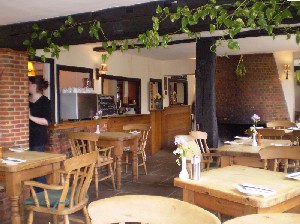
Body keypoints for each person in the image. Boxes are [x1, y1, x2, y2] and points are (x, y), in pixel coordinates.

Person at [28, 76, 51, 191]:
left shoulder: (45, 101)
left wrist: (30, 117)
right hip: (25, 139)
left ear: (34, 85)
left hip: (38, 139)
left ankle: (42, 197)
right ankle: (33, 198)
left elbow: (46, 121)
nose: (26, 86)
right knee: (28, 171)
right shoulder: (26, 99)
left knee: (38, 170)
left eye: (28, 84)